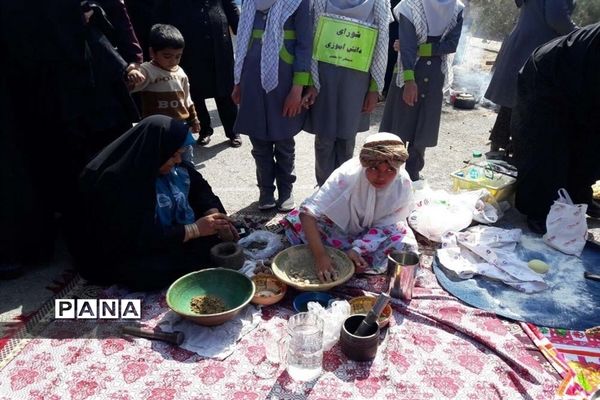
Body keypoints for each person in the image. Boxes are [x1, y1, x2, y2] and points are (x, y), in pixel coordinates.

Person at [68, 115, 238, 290]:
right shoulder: (118, 182)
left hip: (166, 236)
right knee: (149, 273)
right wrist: (194, 229)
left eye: (180, 154)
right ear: (156, 152)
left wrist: (211, 212)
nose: (178, 161)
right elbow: (136, 236)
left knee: (212, 241)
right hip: (127, 247)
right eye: (173, 156)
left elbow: (200, 189)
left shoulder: (168, 164)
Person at [283, 133, 417, 282]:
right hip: (340, 228)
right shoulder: (346, 176)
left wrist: (357, 249)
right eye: (374, 168)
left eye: (390, 170)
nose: (381, 177)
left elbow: (387, 225)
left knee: (404, 245)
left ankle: (351, 256)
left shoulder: (401, 183)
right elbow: (307, 214)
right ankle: (341, 256)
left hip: (378, 233)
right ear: (364, 165)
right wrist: (320, 256)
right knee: (301, 226)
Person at [511, 23, 600, 233]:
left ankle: (578, 196)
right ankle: (539, 211)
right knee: (545, 148)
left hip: (583, 87)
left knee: (591, 147)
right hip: (547, 76)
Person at [232, 0, 312, 211]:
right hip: (251, 78)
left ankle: (286, 190)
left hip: (284, 81)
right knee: (258, 141)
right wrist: (238, 82)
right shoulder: (250, 1)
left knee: (284, 140)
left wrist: (297, 89)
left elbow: (305, 46)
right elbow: (242, 40)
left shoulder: (299, 2)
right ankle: (265, 190)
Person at [303, 0, 393, 186]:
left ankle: (342, 190)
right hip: (324, 76)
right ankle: (323, 190)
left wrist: (374, 88)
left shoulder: (378, 3)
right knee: (324, 139)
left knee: (346, 139)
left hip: (357, 80)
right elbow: (311, 38)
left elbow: (382, 45)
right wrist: (311, 81)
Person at [380, 0, 464, 182]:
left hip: (434, 76)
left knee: (422, 129)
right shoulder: (410, 6)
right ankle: (390, 173)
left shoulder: (457, 8)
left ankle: (413, 174)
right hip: (409, 73)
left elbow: (451, 45)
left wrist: (419, 48)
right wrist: (409, 82)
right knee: (398, 127)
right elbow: (407, 48)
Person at [484, 0, 577, 155]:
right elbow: (557, 19)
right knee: (530, 103)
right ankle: (517, 153)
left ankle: (499, 144)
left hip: (523, 42)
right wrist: (578, 33)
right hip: (537, 48)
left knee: (514, 98)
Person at [154, 0, 242, 148]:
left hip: (219, 46)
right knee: (195, 93)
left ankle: (233, 131)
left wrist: (241, 28)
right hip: (190, 49)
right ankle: (204, 130)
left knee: (226, 90)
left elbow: (231, 7)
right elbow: (161, 16)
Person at [128, 24, 199, 160]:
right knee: (161, 162)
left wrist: (194, 119)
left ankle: (188, 179)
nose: (173, 61)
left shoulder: (180, 72)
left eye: (178, 56)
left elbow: (187, 99)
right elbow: (132, 86)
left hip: (181, 126)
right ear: (152, 53)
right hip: (158, 130)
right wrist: (132, 74)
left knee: (186, 159)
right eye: (167, 56)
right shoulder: (147, 70)